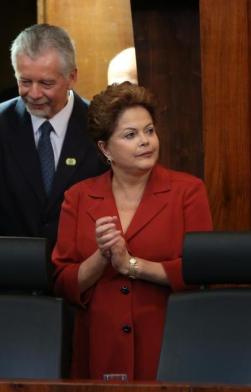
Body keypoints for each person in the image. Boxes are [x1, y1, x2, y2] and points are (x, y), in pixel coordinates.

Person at [51, 81, 213, 380]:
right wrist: (102, 258)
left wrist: (131, 265)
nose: (146, 141)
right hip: (99, 349)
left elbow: (200, 272)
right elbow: (63, 281)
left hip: (170, 345)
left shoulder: (187, 192)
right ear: (105, 148)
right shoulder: (79, 197)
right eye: (131, 134)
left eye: (149, 131)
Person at [0, 23, 107, 248]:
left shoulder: (101, 124)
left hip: (82, 270)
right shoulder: (3, 122)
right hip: (11, 272)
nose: (34, 94)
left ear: (72, 76)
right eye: (25, 81)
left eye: (46, 83)